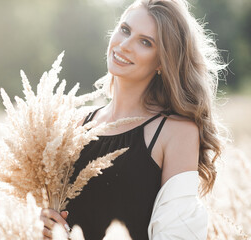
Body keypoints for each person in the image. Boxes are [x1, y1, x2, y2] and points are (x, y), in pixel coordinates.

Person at [41, 0, 226, 239]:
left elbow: (177, 234)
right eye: (125, 30)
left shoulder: (175, 132)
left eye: (145, 42)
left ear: (162, 61)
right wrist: (47, 225)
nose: (125, 45)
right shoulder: (74, 123)